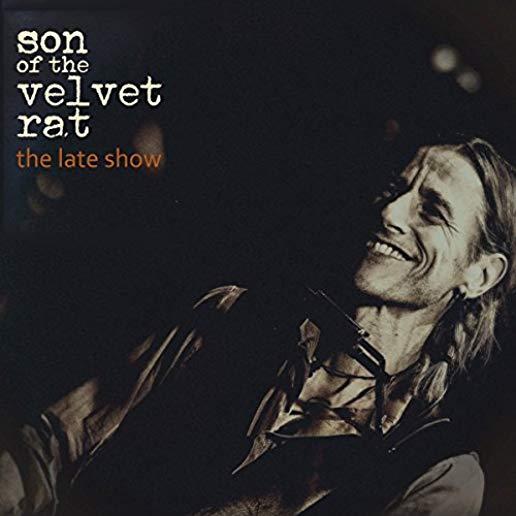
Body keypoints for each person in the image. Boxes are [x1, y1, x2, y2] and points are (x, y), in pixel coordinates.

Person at [0, 137, 514, 515]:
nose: (391, 211)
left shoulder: (436, 470)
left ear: (480, 275)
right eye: (395, 189)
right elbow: (49, 447)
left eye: (432, 211)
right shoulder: (229, 318)